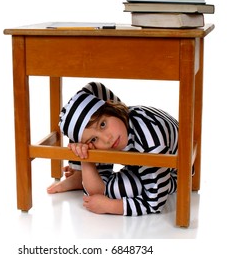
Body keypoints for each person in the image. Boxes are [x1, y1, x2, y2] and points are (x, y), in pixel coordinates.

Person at [47, 82, 178, 216]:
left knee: (123, 188)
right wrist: (84, 157)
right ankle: (80, 175)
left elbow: (155, 202)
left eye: (103, 124)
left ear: (112, 108)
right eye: (93, 139)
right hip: (139, 162)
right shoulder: (117, 128)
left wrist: (110, 206)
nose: (107, 139)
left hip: (172, 173)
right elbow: (95, 87)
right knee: (83, 131)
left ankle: (83, 177)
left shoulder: (151, 143)